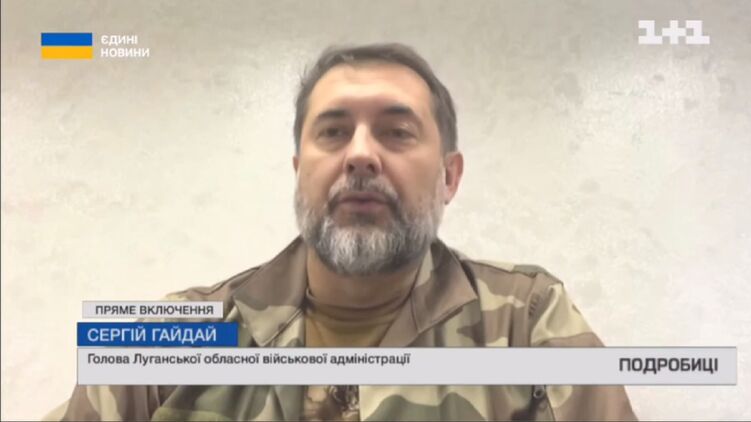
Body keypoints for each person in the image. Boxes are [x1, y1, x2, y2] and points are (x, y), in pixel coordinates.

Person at [45, 43, 637, 421]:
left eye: (397, 132)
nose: (359, 155)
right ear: (300, 173)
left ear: (449, 177)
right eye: (332, 132)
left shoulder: (529, 326)